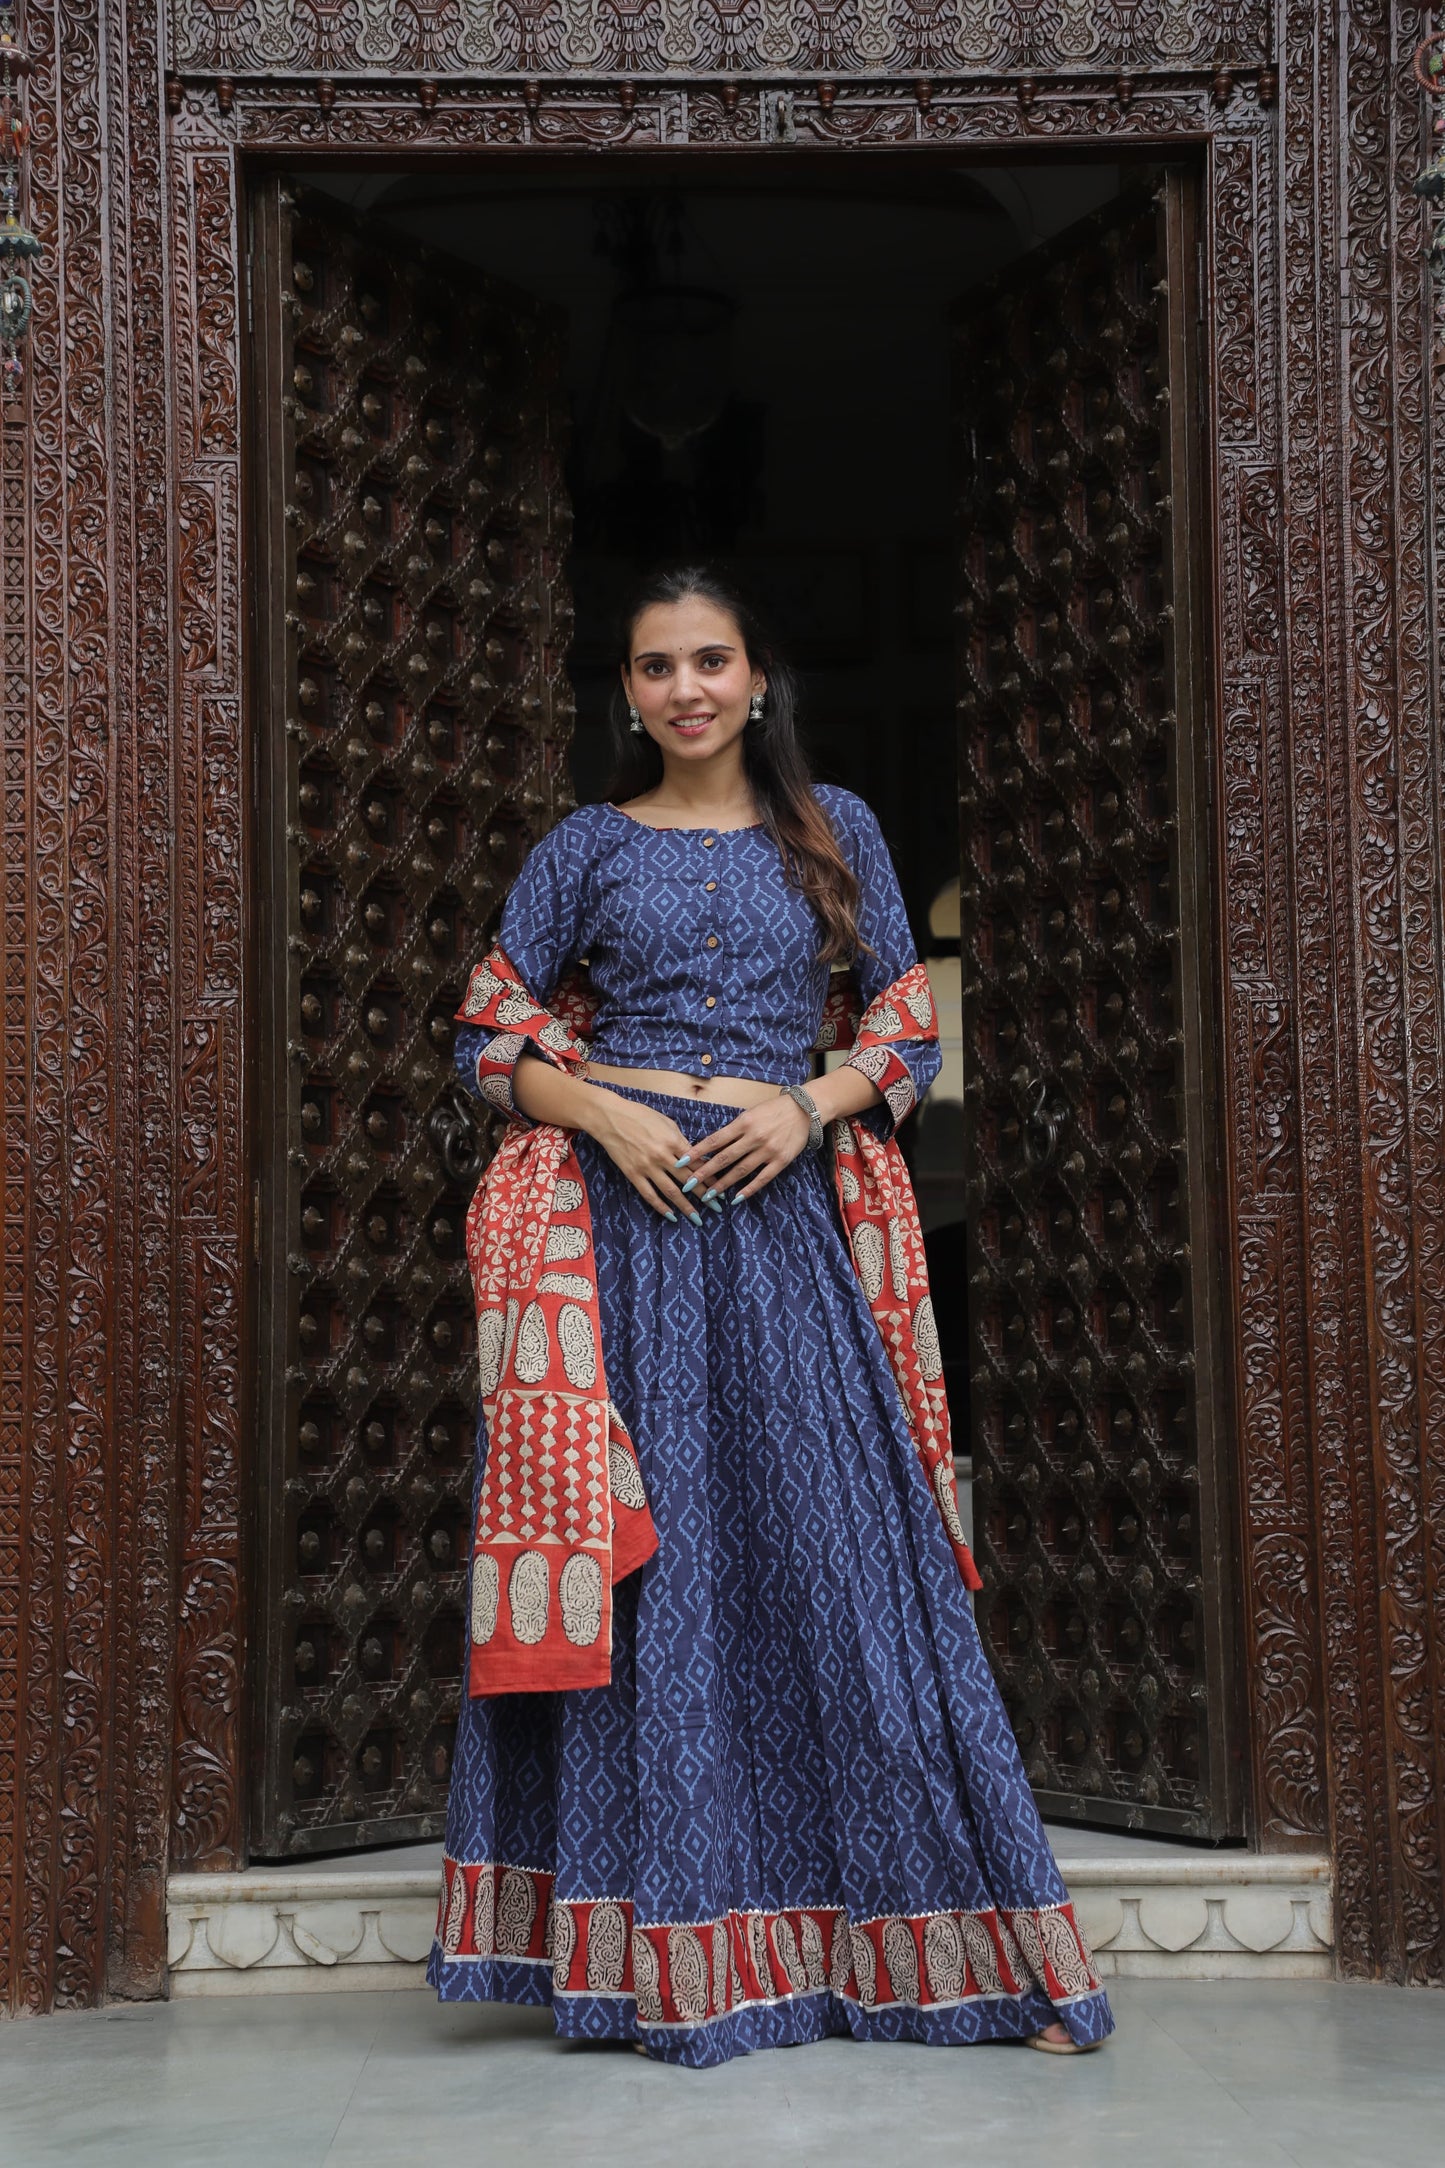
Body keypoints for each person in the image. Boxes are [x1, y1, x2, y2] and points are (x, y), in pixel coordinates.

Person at [427, 566, 1114, 2066]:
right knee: (658, 1587)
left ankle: (971, 1959)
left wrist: (808, 1105)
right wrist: (603, 1117)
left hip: (787, 1234)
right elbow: (488, 1033)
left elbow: (900, 1018)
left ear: (755, 681)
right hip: (627, 1246)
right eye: (656, 664)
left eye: (711, 661)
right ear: (626, 691)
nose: (684, 688)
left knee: (847, 1567)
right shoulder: (583, 847)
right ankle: (645, 1964)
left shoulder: (833, 831)